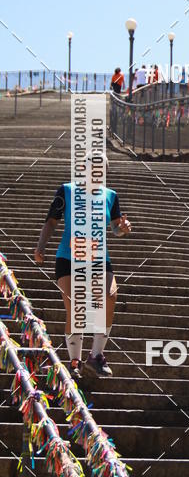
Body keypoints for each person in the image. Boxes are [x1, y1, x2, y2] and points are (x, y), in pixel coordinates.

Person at [33, 154, 131, 378]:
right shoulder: (66, 191)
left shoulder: (110, 196)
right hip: (69, 256)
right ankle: (74, 361)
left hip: (98, 257)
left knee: (110, 295)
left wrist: (124, 227)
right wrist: (41, 246)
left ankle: (96, 356)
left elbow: (116, 227)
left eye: (102, 169)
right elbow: (51, 221)